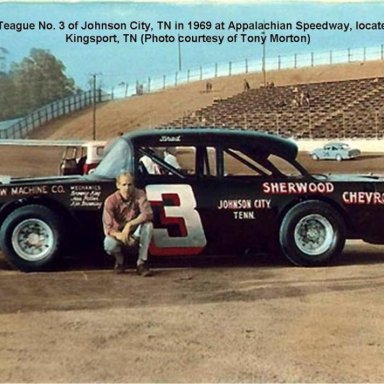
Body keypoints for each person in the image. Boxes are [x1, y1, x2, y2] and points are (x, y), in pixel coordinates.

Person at [102, 172, 154, 276]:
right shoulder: (110, 201)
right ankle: (119, 261)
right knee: (109, 243)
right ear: (118, 185)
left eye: (130, 185)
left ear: (133, 185)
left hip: (134, 231)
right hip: (119, 233)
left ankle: (141, 262)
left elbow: (148, 214)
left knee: (149, 226)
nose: (127, 188)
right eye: (124, 185)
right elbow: (108, 228)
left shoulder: (140, 194)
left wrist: (129, 225)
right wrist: (122, 236)